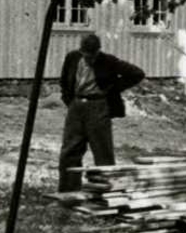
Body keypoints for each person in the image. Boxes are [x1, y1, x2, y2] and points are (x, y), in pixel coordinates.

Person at [57, 33, 145, 191]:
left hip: (98, 106)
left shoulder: (108, 61)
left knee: (102, 151)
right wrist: (69, 100)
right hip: (76, 106)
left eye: (93, 55)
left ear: (98, 51)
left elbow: (137, 73)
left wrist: (112, 88)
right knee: (69, 151)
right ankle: (68, 192)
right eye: (86, 55)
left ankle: (105, 194)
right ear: (81, 51)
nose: (89, 59)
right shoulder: (72, 58)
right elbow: (64, 81)